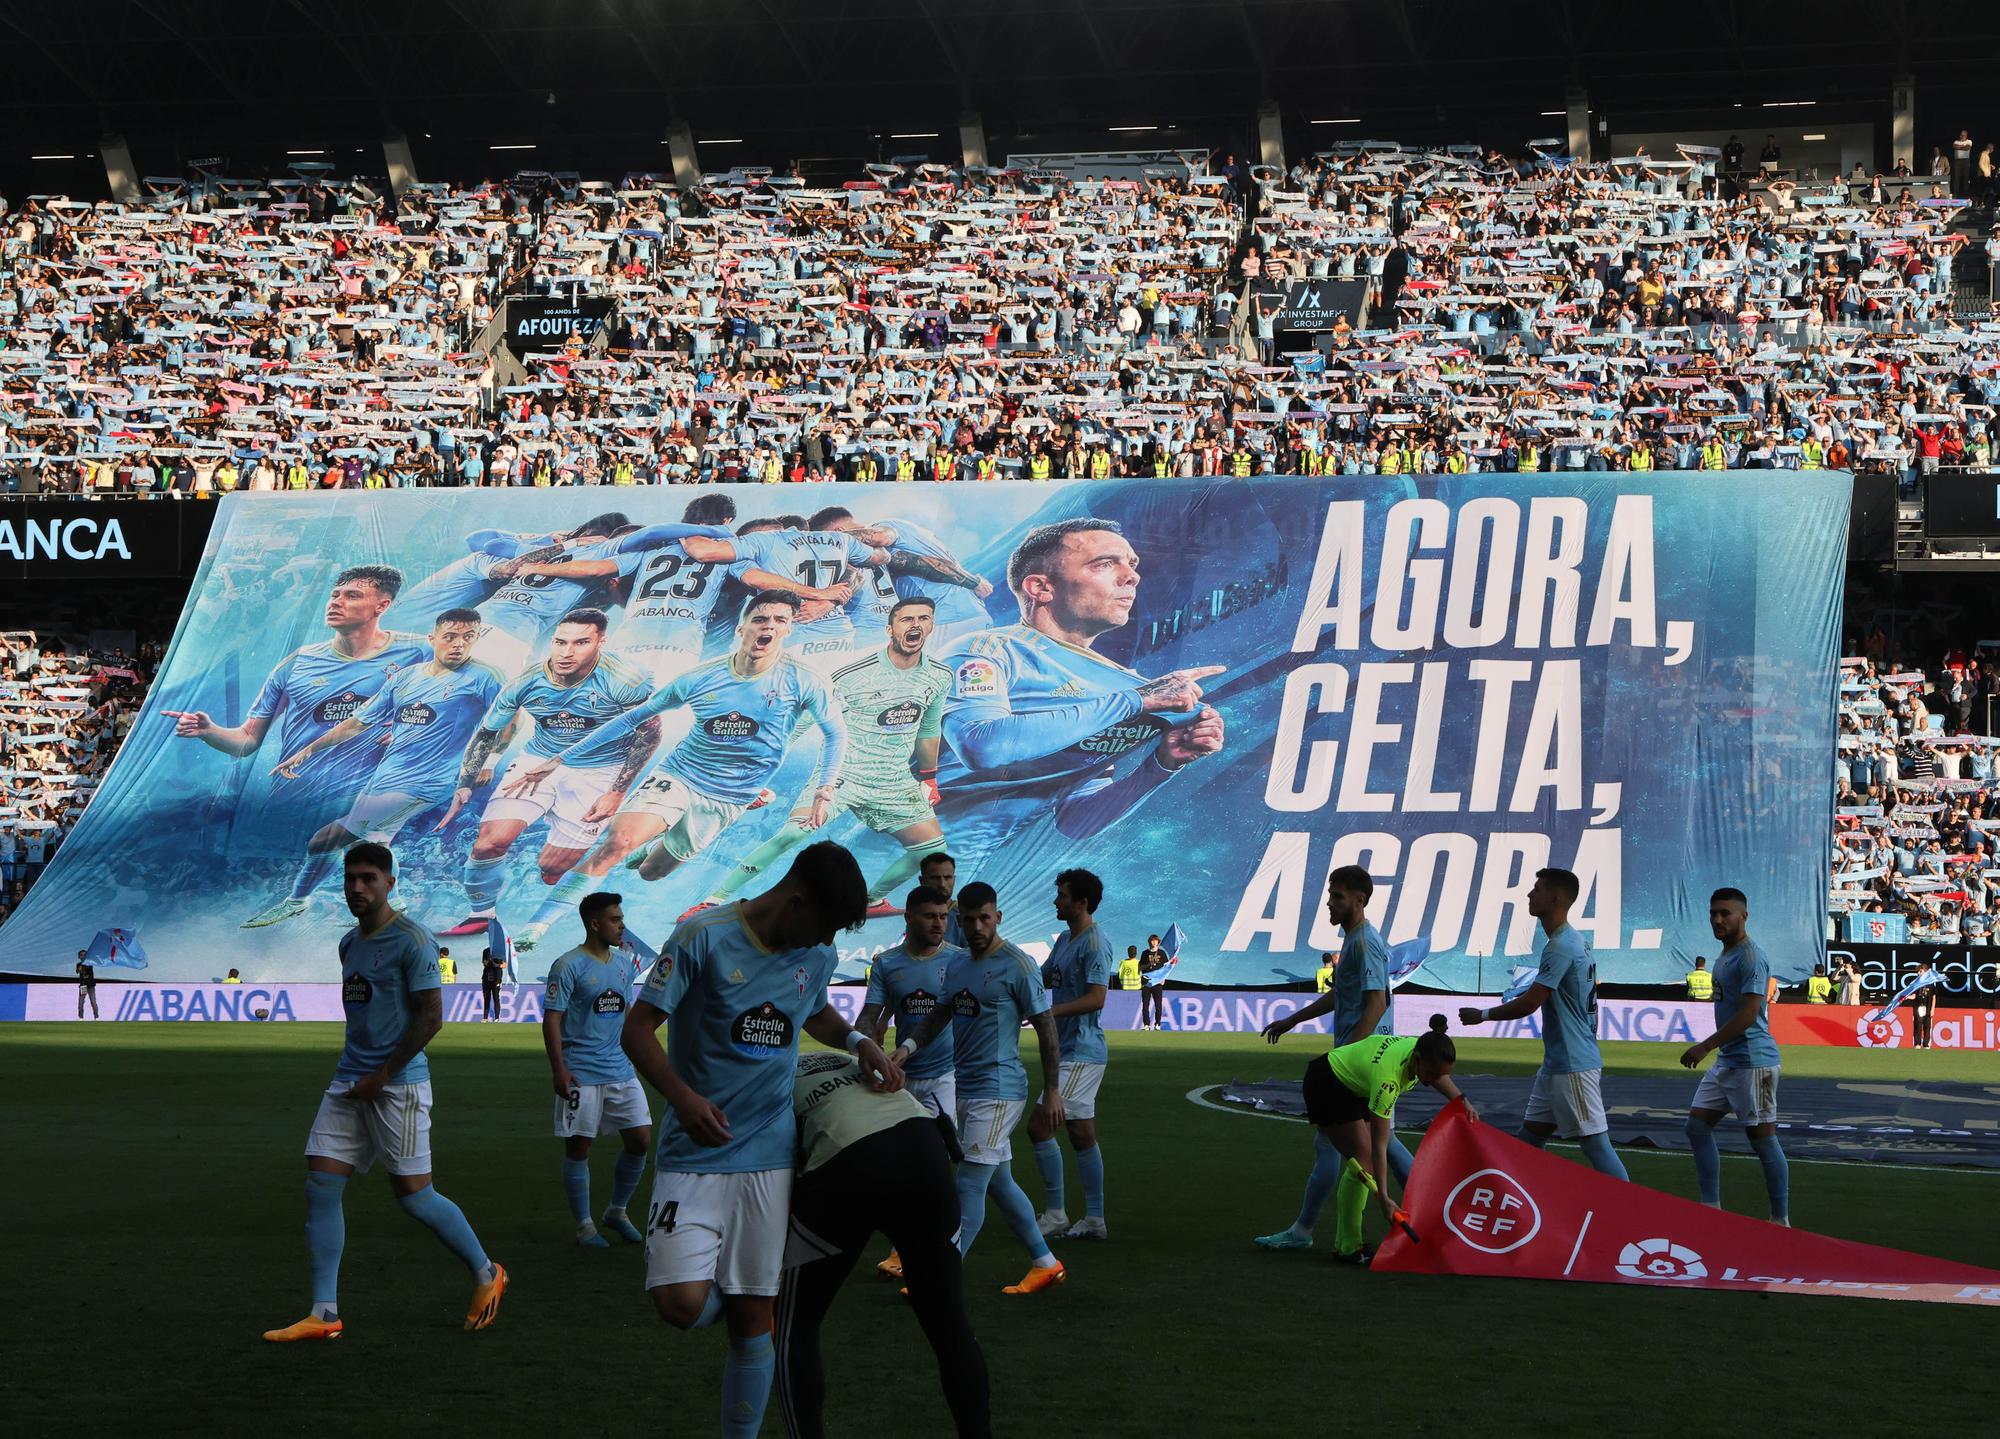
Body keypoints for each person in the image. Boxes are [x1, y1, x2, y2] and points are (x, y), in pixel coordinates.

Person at [619, 841, 900, 1439]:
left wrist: (859, 1043)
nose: (823, 943)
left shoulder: (816, 949)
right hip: (692, 1155)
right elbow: (638, 1029)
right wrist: (682, 1097)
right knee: (680, 1305)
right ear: (795, 901)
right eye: (820, 926)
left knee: (754, 1316)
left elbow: (814, 1011)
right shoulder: (702, 937)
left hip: (770, 1158)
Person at [262, 842, 506, 1342]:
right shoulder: (349, 945)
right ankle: (324, 1314)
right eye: (350, 878)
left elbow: (431, 1017)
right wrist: (362, 1074)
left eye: (368, 878)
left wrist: (386, 1073)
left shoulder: (412, 941)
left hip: (398, 1086)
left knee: (416, 1198)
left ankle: (487, 1272)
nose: (357, 887)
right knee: (321, 1185)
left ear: (390, 882)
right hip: (350, 1079)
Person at [507, 593, 845, 945]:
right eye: (762, 619)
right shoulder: (702, 678)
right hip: (681, 775)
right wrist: (560, 758)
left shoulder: (805, 680)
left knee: (651, 872)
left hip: (729, 795)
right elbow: (633, 718)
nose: (770, 627)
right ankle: (538, 925)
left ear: (789, 630)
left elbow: (835, 733)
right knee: (617, 842)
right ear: (742, 627)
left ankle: (665, 838)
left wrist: (825, 788)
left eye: (780, 621)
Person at [932, 518, 1227, 899]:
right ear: (1040, 587)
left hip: (963, 889)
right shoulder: (986, 651)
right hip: (886, 861)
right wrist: (1137, 701)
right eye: (1104, 564)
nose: (1130, 577)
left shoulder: (1124, 685)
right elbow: (982, 745)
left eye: (1132, 565)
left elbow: (1075, 819)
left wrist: (1161, 766)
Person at [773, 1052, 991, 1438]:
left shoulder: (767, 1076)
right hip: (925, 1151)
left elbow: (773, 1168)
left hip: (851, 1159)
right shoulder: (842, 1055)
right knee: (950, 1326)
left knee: (796, 1326)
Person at [247, 608, 501, 928]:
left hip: (427, 782)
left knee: (325, 839)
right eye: (451, 636)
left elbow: (510, 720)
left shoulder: (484, 677)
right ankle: (393, 904)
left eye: (468, 638)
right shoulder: (407, 677)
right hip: (387, 775)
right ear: (433, 638)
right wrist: (309, 749)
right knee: (374, 843)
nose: (459, 644)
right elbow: (357, 723)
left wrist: (488, 762)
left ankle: (296, 901)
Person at [702, 596, 951, 918]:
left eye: (923, 618)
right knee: (792, 833)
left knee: (932, 852)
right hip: (842, 775)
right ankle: (713, 900)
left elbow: (928, 728)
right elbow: (799, 726)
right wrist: (757, 778)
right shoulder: (852, 675)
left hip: (893, 780)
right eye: (906, 619)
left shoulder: (940, 675)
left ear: (931, 625)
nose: (915, 625)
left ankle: (871, 901)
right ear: (890, 628)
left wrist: (929, 777)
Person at [438, 608, 656, 939]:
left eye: (581, 643)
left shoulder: (626, 679)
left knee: (551, 870)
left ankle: (636, 842)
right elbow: (486, 734)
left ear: (601, 641)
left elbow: (649, 733)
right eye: (560, 642)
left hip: (599, 772)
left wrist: (617, 791)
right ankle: (481, 915)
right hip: (535, 765)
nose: (566, 653)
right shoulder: (526, 682)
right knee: (488, 844)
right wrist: (464, 785)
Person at [167, 566, 431, 838]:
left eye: (352, 596)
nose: (336, 602)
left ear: (382, 606)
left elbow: (467, 690)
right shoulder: (297, 664)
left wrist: (416, 729)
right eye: (335, 594)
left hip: (370, 809)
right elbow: (246, 740)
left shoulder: (420, 651)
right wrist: (208, 731)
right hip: (292, 804)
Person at [898, 880, 1067, 1293]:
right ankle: (1045, 1262)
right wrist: (904, 1049)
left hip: (1000, 1089)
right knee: (999, 1182)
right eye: (969, 919)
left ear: (998, 918)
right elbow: (939, 1016)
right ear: (961, 919)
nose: (976, 927)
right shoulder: (956, 965)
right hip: (966, 1086)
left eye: (984, 918)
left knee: (969, 1184)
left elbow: (1046, 1026)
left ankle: (937, 1278)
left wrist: (1054, 1090)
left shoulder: (1019, 965)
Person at [1255, 866, 1416, 1250]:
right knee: (1374, 1146)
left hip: (1363, 1069)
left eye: (1338, 896)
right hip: (1363, 1065)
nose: (1330, 902)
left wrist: (1344, 1059)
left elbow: (1378, 1002)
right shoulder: (1356, 943)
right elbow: (1341, 996)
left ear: (1359, 900)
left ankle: (1306, 1233)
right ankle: (1306, 1231)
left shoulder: (1366, 943)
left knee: (1365, 1149)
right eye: (1331, 894)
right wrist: (1294, 1019)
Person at [1458, 868, 1629, 1180]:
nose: (1529, 894)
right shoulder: (1572, 941)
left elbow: (1530, 1002)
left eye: (1537, 889)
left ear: (1556, 897)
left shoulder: (1561, 945)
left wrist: (1481, 1016)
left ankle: (1635, 1215)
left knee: (1596, 1146)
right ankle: (1525, 1208)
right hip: (1558, 1064)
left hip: (1571, 1064)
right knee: (1530, 1140)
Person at [1253, 1018, 1468, 1265]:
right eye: (1431, 1073)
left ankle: (1312, 1233)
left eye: (1441, 1074)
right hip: (1327, 1083)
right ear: (1417, 1059)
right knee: (1365, 1161)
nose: (1434, 1079)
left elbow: (1437, 1074)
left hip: (1352, 1084)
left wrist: (1462, 1101)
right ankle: (1347, 1247)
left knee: (1358, 1162)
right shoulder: (1388, 1081)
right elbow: (1380, 1143)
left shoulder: (1419, 1048)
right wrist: (1385, 1197)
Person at [856, 883, 968, 1281]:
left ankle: (927, 1244)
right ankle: (908, 1238)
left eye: (943, 917)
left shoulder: (959, 960)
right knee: (899, 1163)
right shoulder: (887, 963)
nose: (938, 924)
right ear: (909, 918)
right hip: (901, 1078)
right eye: (929, 916)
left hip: (946, 1075)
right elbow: (872, 1013)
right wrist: (867, 1042)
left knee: (937, 1161)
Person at [542, 890, 652, 1247]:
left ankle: (616, 1211)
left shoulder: (623, 964)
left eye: (621, 918)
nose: (622, 926)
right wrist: (559, 1070)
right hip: (582, 1072)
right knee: (579, 1148)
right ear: (595, 923)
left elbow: (624, 1010)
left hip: (620, 1069)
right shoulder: (568, 965)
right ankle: (585, 1226)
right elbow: (552, 1020)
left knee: (640, 1140)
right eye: (615, 919)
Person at [1679, 888, 1789, 1227]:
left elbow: (1748, 1014)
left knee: (1763, 1139)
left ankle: (1779, 1221)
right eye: (1713, 913)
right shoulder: (1726, 954)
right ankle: (1710, 1209)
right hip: (1730, 1060)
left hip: (1754, 1062)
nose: (1717, 919)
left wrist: (1705, 1045)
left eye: (1725, 913)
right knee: (1697, 1127)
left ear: (1744, 915)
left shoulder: (1751, 957)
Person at [1030, 868, 1115, 1242]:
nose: (1056, 900)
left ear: (1081, 902)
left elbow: (1097, 998)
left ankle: (1055, 1213)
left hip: (1081, 1051)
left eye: (1062, 895)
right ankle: (1094, 1221)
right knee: (1081, 1134)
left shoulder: (1095, 943)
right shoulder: (1066, 938)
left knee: (1039, 1126)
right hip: (1066, 1049)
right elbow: (1044, 978)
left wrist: (1049, 1013)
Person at [920, 849, 966, 947]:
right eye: (935, 878)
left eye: (947, 877)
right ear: (921, 880)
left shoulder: (966, 917)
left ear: (954, 880)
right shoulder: (916, 913)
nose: (942, 884)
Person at [1138, 934, 1171, 1030]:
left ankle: (1157, 1024)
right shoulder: (1145, 953)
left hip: (1157, 982)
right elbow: (1140, 967)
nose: (1154, 942)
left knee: (1158, 1005)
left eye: (1155, 940)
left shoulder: (1162, 953)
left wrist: (1163, 978)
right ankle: (1146, 1025)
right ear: (1149, 942)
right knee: (1145, 1005)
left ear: (1158, 942)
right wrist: (1149, 964)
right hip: (1146, 982)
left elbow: (1166, 967)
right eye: (1152, 940)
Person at [1912, 970, 1938, 1049]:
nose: (1918, 973)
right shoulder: (1916, 983)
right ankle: (1917, 1044)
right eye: (1918, 972)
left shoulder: (1931, 984)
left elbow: (1934, 997)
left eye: (1920, 971)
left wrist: (1932, 1009)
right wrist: (1906, 997)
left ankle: (1926, 1044)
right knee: (1918, 1026)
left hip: (1928, 1008)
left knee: (1927, 1027)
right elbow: (1914, 995)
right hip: (1918, 1008)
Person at [75, 948, 97, 1020]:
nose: (83, 956)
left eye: (85, 955)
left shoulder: (90, 963)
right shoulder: (79, 964)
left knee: (93, 1002)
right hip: (83, 986)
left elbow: (87, 969)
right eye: (81, 955)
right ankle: (81, 1017)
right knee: (81, 1003)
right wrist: (81, 966)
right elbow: (78, 971)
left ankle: (96, 1017)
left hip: (90, 986)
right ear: (79, 957)